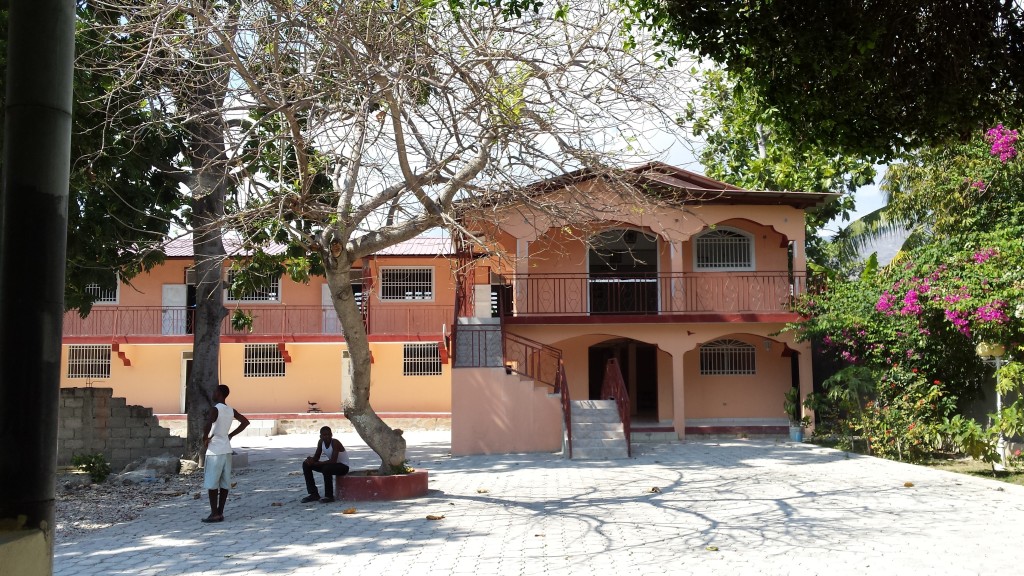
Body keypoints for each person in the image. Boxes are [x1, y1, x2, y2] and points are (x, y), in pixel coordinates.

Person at [201, 384, 249, 523]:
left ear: (219, 393)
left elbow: (208, 424)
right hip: (227, 449)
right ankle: (220, 512)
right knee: (224, 483)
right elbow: (245, 422)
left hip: (215, 450)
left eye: (215, 391)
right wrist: (230, 435)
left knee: (212, 482)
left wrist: (205, 438)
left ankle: (214, 513)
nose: (213, 394)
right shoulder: (230, 410)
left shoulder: (215, 409)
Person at [301, 426, 350, 503]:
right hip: (332, 465)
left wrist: (320, 463)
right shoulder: (321, 442)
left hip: (343, 467)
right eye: (324, 435)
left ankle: (329, 496)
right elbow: (316, 457)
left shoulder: (335, 442)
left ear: (331, 435)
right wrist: (311, 460)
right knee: (306, 464)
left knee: (326, 468)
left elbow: (333, 461)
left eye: (328, 435)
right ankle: (313, 494)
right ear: (321, 436)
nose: (327, 437)